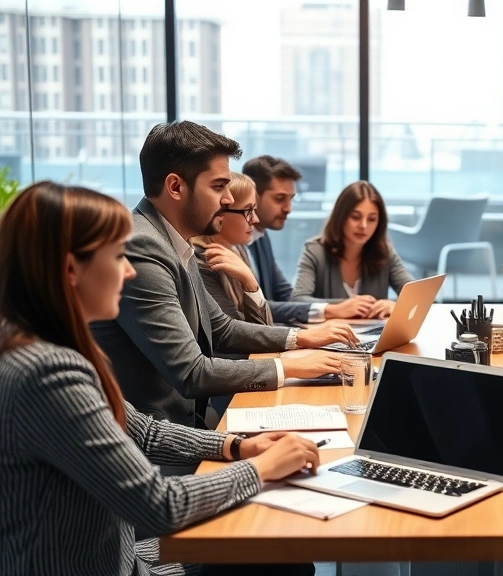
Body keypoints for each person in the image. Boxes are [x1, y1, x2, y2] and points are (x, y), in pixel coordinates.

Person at [0, 181, 318, 576]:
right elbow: (161, 505)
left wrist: (237, 447)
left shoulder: (48, 346)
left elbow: (146, 433)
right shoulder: (46, 374)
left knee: (269, 545)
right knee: (276, 556)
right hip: (118, 566)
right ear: (70, 270)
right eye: (118, 256)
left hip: (120, 556)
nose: (130, 269)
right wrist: (261, 468)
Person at [91, 121, 358, 432]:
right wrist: (286, 366)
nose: (229, 199)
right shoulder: (143, 247)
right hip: (161, 440)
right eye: (219, 186)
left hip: (193, 423)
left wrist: (301, 338)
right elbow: (193, 373)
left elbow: (220, 328)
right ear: (176, 187)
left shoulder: (175, 240)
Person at [242, 155, 358, 324]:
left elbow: (286, 294)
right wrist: (331, 310)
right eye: (280, 199)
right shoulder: (233, 241)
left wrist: (346, 304)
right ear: (253, 196)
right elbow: (255, 309)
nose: (289, 209)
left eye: (291, 199)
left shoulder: (261, 236)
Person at [293, 180, 415, 319]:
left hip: (374, 338)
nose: (363, 225)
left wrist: (397, 306)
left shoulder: (384, 252)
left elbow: (417, 296)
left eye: (372, 219)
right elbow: (298, 300)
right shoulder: (314, 251)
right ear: (341, 217)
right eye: (355, 217)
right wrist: (339, 307)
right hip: (328, 336)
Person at [192, 172, 271, 325]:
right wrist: (249, 281)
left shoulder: (237, 249)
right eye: (248, 210)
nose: (255, 219)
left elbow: (265, 328)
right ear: (220, 212)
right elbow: (239, 334)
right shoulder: (202, 260)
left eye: (254, 210)